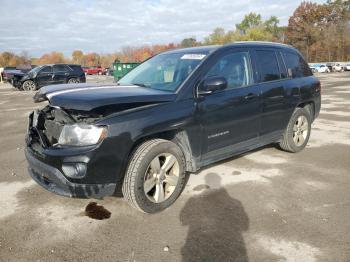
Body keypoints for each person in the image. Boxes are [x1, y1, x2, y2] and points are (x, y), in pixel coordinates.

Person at [180, 173, 249, 262]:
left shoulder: (193, 200)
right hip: (227, 249)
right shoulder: (236, 203)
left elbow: (183, 219)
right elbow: (245, 226)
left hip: (199, 246)